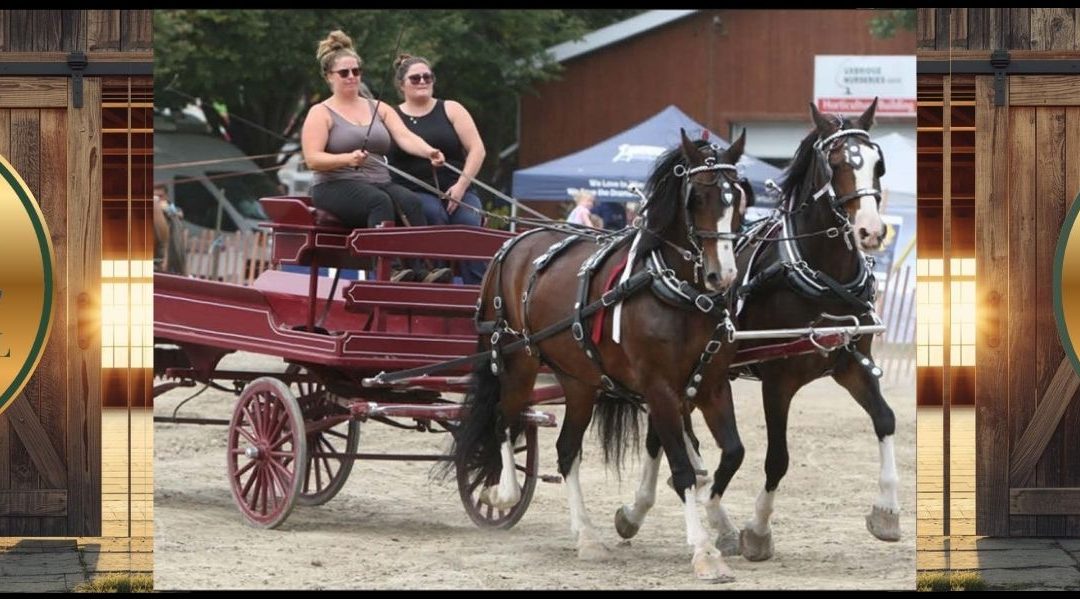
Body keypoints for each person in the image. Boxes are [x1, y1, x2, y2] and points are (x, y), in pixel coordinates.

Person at [301, 30, 451, 283]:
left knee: (411, 202)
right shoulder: (320, 112)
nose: (352, 76)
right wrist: (347, 159)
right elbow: (313, 160)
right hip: (335, 184)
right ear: (329, 76)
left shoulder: (379, 108)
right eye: (344, 73)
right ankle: (388, 269)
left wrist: (429, 151)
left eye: (356, 71)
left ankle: (423, 269)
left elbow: (405, 137)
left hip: (378, 181)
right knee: (378, 202)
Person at [387, 53, 488, 285]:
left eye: (427, 76)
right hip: (413, 189)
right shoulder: (391, 115)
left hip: (456, 187)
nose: (423, 81)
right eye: (415, 78)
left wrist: (461, 186)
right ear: (401, 85)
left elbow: (477, 150)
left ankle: (477, 291)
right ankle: (437, 281)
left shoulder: (451, 108)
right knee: (434, 215)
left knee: (468, 222)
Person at [153, 183, 187, 275]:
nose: (157, 199)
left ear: (166, 196)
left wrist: (168, 211)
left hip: (169, 247)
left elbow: (180, 214)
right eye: (154, 196)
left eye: (160, 196)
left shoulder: (171, 207)